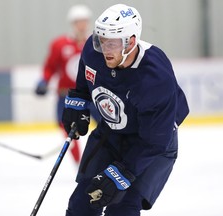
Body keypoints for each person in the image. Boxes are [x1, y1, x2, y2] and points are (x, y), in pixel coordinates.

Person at [62, 4, 189, 216]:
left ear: (130, 42)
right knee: (82, 204)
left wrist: (122, 172)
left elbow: (155, 141)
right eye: (101, 41)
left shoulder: (155, 77)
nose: (104, 50)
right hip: (111, 133)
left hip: (151, 145)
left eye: (111, 43)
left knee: (122, 208)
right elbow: (87, 71)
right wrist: (78, 100)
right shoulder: (93, 52)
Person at [35, 4, 100, 164]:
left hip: (92, 96)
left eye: (84, 21)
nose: (82, 25)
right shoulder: (59, 44)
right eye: (78, 21)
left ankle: (101, 160)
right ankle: (80, 164)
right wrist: (44, 81)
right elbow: (49, 67)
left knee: (106, 128)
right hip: (67, 96)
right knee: (68, 131)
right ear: (72, 23)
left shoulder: (96, 43)